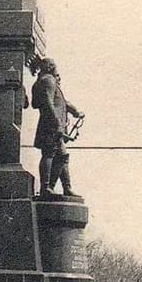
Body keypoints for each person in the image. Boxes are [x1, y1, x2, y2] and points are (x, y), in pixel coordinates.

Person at [30, 57, 84, 198]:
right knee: (50, 154)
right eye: (54, 66)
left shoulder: (46, 81)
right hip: (51, 125)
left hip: (52, 124)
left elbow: (62, 102)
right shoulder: (48, 80)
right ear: (49, 67)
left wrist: (75, 111)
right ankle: (46, 188)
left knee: (62, 156)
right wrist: (57, 123)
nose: (56, 69)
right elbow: (48, 103)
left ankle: (65, 188)